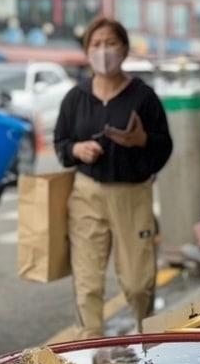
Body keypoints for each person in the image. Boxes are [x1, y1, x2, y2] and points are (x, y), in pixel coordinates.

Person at [53, 18, 173, 338]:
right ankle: (89, 354)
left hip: (133, 194)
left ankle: (148, 346)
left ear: (124, 48)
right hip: (87, 194)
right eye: (96, 44)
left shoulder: (143, 97)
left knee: (137, 283)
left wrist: (141, 141)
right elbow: (61, 143)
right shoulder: (75, 98)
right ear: (86, 51)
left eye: (110, 43)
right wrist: (77, 149)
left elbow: (164, 146)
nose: (103, 51)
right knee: (88, 285)